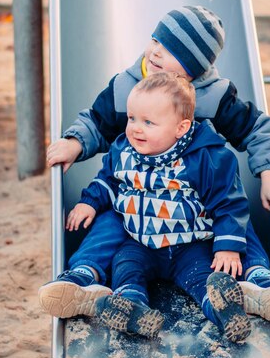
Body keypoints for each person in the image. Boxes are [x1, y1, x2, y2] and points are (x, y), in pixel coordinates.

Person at [39, 5, 270, 324]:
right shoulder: (128, 88)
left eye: (170, 51)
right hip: (138, 212)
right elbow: (98, 123)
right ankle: (83, 276)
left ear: (192, 70)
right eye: (155, 40)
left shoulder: (214, 98)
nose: (155, 52)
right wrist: (76, 142)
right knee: (108, 219)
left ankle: (259, 280)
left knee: (233, 211)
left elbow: (256, 129)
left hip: (193, 214)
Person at [57, 73, 254, 342]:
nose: (136, 128)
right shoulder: (123, 149)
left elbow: (228, 201)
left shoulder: (204, 157)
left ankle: (224, 311)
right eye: (132, 118)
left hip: (188, 244)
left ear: (181, 128)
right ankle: (132, 309)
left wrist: (228, 246)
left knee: (202, 277)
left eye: (148, 122)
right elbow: (109, 179)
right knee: (125, 267)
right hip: (140, 242)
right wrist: (89, 202)